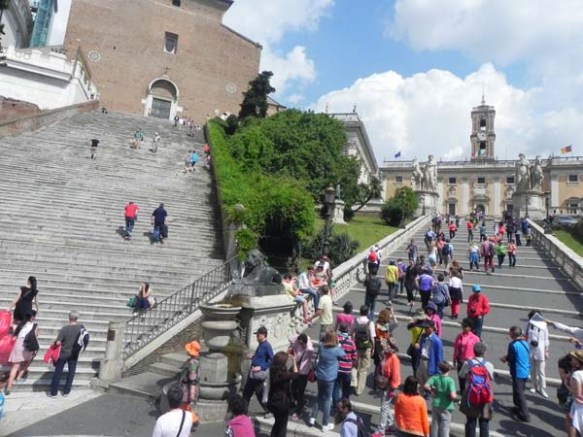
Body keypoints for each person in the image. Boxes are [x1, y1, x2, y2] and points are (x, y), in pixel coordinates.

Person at [309, 331, 345, 432]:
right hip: (330, 377)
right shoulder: (336, 349)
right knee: (328, 400)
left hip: (320, 375)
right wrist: (340, 345)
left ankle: (312, 418)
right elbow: (343, 354)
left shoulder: (322, 347)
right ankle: (325, 424)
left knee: (319, 396)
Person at [458, 342, 495, 437]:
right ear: (484, 352)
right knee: (484, 420)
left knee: (471, 420)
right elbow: (491, 378)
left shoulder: (468, 363)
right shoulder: (489, 365)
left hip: (471, 394)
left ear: (473, 351)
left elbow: (461, 375)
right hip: (485, 395)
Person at [49, 311, 84, 397]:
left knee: (58, 372)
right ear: (77, 318)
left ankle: (54, 393)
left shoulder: (64, 329)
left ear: (69, 318)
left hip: (63, 353)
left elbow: (58, 343)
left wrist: (53, 344)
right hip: (74, 353)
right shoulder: (81, 329)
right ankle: (66, 391)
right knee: (71, 372)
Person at [501, 326, 530, 423]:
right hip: (525, 370)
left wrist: (505, 359)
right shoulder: (525, 342)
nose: (509, 335)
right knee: (517, 390)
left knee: (519, 393)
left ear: (513, 335)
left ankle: (525, 415)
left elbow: (511, 358)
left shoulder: (512, 345)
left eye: (510, 333)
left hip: (518, 371)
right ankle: (517, 407)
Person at [373, 338, 401, 437]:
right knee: (386, 406)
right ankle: (391, 425)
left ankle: (381, 430)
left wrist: (392, 389)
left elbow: (396, 376)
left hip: (388, 386)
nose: (384, 347)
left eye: (386, 345)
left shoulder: (394, 358)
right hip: (383, 384)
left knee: (384, 408)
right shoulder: (385, 355)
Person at [242, 327, 273, 415]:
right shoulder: (260, 345)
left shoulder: (267, 346)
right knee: (247, 393)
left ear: (263, 335)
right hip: (252, 373)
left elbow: (272, 360)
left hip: (258, 374)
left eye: (258, 335)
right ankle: (243, 412)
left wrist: (261, 367)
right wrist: (253, 357)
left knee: (259, 394)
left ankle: (269, 410)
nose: (257, 337)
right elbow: (260, 357)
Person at [5, 312, 37, 394]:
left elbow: (14, 336)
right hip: (28, 346)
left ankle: (9, 387)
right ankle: (18, 377)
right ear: (32, 317)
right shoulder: (34, 326)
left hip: (18, 345)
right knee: (27, 362)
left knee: (15, 367)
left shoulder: (20, 325)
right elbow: (35, 337)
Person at [267, 351, 298, 437]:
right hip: (282, 403)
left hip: (273, 401)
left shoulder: (272, 369)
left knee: (277, 422)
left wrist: (285, 354)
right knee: (282, 426)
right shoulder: (284, 374)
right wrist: (294, 360)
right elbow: (296, 374)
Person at [424, 361, 457, 437]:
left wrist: (432, 390)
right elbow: (453, 395)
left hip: (436, 404)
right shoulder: (450, 381)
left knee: (435, 424)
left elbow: (426, 385)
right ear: (449, 370)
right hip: (446, 405)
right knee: (445, 426)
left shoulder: (435, 378)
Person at [524, 310, 549, 398]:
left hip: (540, 350)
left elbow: (546, 339)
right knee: (532, 370)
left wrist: (546, 351)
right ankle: (534, 386)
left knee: (541, 371)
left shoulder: (544, 326)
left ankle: (542, 388)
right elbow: (525, 335)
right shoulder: (528, 324)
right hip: (531, 349)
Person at [288, 333, 313, 419]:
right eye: (299, 342)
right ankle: (300, 403)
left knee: (300, 392)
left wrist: (308, 339)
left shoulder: (308, 349)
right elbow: (290, 337)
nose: (301, 344)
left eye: (302, 343)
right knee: (292, 387)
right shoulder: (297, 344)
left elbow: (310, 348)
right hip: (296, 369)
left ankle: (299, 412)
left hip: (304, 372)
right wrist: (300, 337)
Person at [351, 305, 375, 396]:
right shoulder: (370, 323)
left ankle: (354, 382)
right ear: (368, 312)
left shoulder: (355, 321)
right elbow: (372, 338)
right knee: (363, 369)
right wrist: (373, 348)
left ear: (360, 311)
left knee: (354, 365)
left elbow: (350, 332)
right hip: (366, 347)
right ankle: (359, 389)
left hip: (356, 346)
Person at [453, 318, 480, 392]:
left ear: (470, 328)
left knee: (470, 379)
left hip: (470, 362)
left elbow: (478, 351)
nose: (463, 328)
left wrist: (477, 361)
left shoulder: (475, 338)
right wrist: (454, 359)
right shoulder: (459, 336)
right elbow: (456, 348)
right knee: (461, 378)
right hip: (460, 360)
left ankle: (469, 393)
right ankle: (462, 392)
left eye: (465, 326)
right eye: (463, 326)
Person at [418, 320, 443, 396]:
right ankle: (420, 398)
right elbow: (422, 349)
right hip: (421, 360)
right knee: (420, 382)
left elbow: (439, 357)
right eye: (424, 328)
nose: (425, 329)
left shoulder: (436, 340)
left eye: (427, 328)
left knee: (429, 383)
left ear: (432, 328)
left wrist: (438, 370)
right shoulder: (423, 336)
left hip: (429, 362)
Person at [334, 323, 357, 407]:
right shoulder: (351, 343)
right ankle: (344, 406)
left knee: (335, 388)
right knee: (346, 389)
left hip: (336, 368)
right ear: (347, 330)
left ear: (339, 330)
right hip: (347, 370)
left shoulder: (335, 341)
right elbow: (354, 357)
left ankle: (335, 405)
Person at [180, 340, 200, 409]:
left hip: (187, 389)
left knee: (185, 406)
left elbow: (192, 379)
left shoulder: (193, 363)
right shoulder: (192, 361)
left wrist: (192, 394)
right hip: (186, 387)